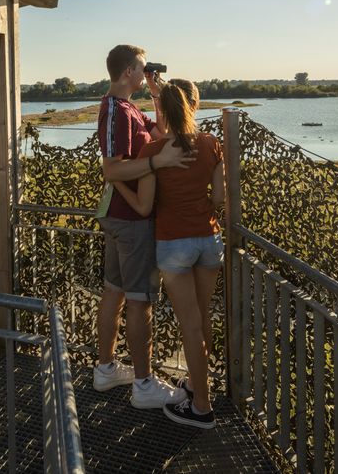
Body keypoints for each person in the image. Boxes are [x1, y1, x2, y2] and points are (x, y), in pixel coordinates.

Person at [112, 78, 224, 429]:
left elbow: (144, 207)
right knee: (202, 319)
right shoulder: (212, 144)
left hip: (174, 243)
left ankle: (201, 407)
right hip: (209, 239)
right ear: (194, 105)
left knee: (190, 325)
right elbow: (220, 199)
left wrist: (118, 185)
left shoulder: (153, 152)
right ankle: (195, 384)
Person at [93, 44, 193, 409]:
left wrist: (155, 92)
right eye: (141, 68)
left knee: (115, 291)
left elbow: (161, 133)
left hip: (123, 215)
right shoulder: (115, 111)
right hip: (131, 219)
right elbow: (112, 169)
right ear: (126, 74)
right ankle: (144, 384)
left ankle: (106, 369)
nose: (145, 71)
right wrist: (157, 164)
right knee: (139, 301)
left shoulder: (129, 109)